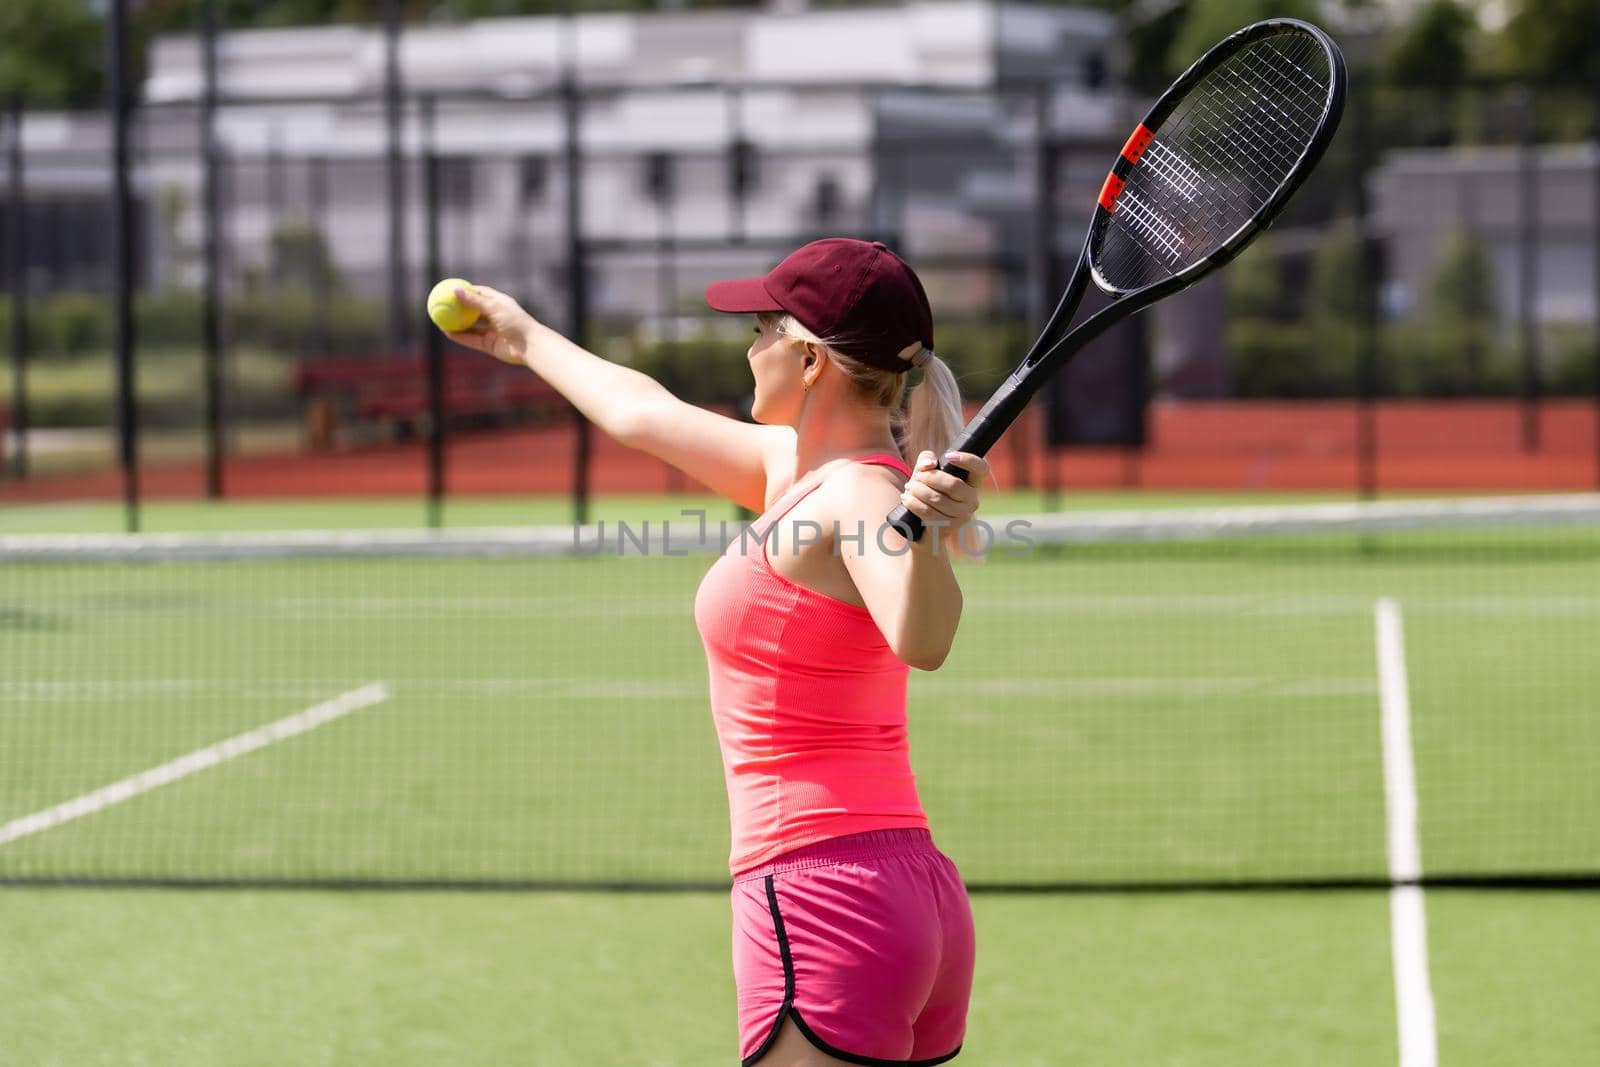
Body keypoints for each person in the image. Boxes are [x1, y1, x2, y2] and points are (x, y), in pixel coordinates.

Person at [447, 237, 987, 1066]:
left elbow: (924, 638)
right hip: (912, 895)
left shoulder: (853, 494)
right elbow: (643, 412)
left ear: (809, 361)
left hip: (821, 894)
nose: (750, 344)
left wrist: (931, 537)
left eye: (765, 326)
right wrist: (522, 336)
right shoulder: (802, 473)